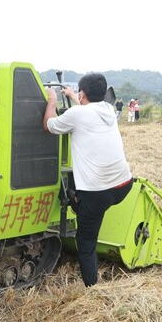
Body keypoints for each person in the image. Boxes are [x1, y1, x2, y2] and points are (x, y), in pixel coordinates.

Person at [43, 73, 133, 287]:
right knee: (85, 200)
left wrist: (52, 101)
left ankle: (92, 288)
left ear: (84, 94)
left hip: (98, 193)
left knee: (85, 242)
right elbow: (86, 110)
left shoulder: (77, 114)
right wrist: (74, 95)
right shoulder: (109, 110)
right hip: (123, 185)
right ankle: (78, 203)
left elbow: (48, 125)